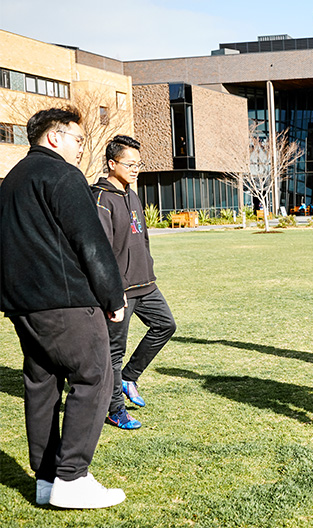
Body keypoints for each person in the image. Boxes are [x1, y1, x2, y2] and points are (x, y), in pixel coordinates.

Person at [0, 108, 128, 508]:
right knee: (95, 376)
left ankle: (47, 480)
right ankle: (72, 478)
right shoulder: (62, 175)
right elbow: (89, 240)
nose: (80, 146)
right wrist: (113, 296)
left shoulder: (11, 181)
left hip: (23, 305)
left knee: (42, 386)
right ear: (54, 137)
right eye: (77, 138)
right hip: (66, 301)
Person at [92, 135, 176, 430]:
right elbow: (98, 252)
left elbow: (142, 238)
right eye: (130, 163)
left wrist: (149, 267)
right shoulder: (101, 199)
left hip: (146, 284)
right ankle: (115, 410)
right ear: (112, 163)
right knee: (114, 352)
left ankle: (129, 377)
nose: (135, 168)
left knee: (166, 325)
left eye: (138, 164)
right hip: (120, 291)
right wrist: (111, 293)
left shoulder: (133, 194)